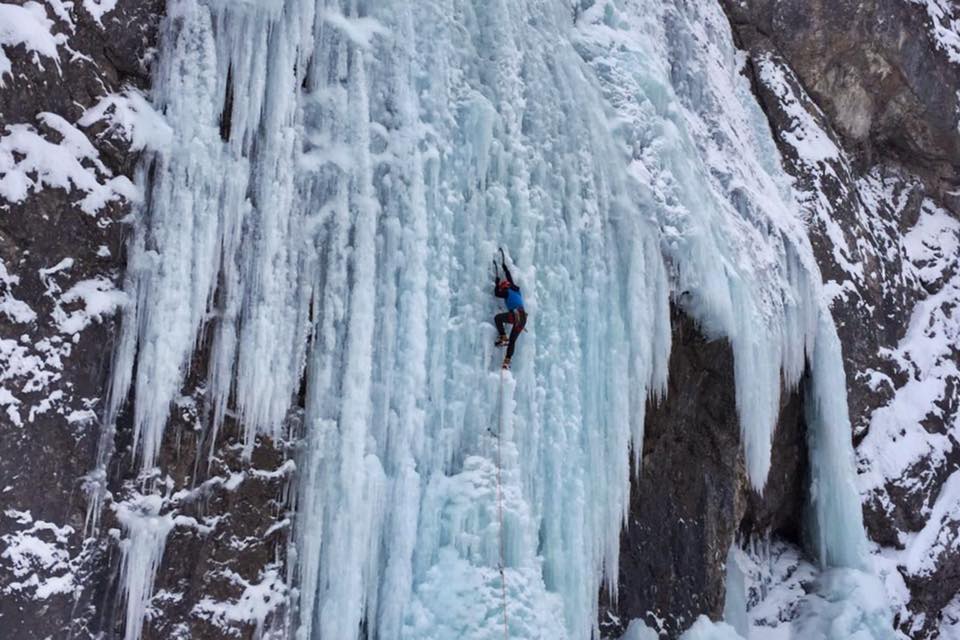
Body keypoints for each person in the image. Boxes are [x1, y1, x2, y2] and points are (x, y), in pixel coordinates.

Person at [492, 248, 526, 370]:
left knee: (498, 318)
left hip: (516, 315)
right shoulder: (515, 289)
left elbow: (496, 293)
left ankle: (502, 336)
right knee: (512, 341)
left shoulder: (506, 292)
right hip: (522, 318)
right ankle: (507, 361)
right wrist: (504, 266)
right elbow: (509, 277)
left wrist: (496, 282)